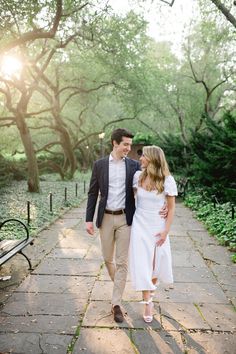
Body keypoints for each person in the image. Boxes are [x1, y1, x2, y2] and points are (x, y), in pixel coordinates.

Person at [85, 128, 140, 323]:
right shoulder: (99, 165)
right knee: (108, 258)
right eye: (125, 144)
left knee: (122, 262)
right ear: (114, 143)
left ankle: (116, 303)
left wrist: (163, 205)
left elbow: (148, 185)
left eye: (130, 145)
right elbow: (93, 193)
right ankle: (120, 284)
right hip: (106, 218)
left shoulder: (134, 165)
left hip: (126, 219)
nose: (128, 148)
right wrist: (88, 219)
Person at [129, 145, 177, 323]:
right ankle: (147, 301)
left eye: (143, 156)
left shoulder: (167, 180)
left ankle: (151, 288)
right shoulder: (137, 177)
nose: (140, 158)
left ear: (152, 159)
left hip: (158, 225)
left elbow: (171, 208)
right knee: (142, 262)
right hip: (139, 224)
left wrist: (166, 231)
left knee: (156, 263)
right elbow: (132, 198)